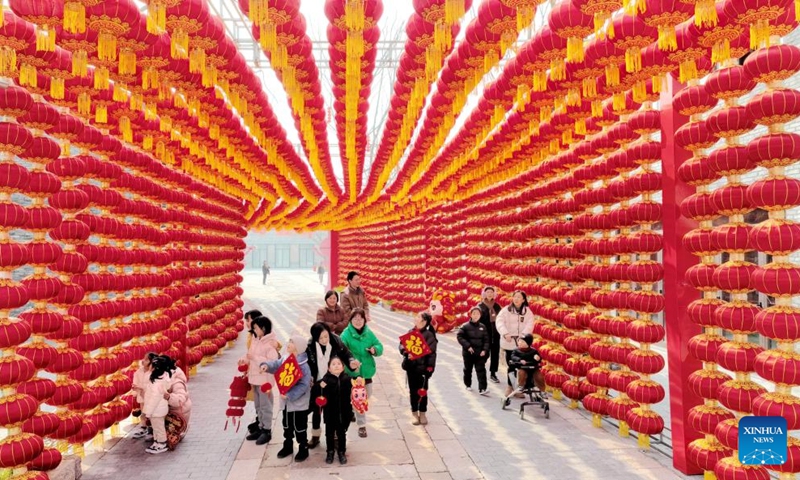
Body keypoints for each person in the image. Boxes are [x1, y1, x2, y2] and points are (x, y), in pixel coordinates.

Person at [260, 335, 313, 462]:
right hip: (286, 403)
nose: (288, 343)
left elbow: (304, 385)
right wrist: (266, 365)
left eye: (291, 342)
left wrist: (290, 395)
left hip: (299, 403)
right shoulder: (285, 358)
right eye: (289, 340)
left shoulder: (304, 365)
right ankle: (288, 445)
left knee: (300, 426)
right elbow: (276, 364)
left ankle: (303, 447)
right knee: (287, 425)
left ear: (298, 347)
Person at [306, 322, 358, 449]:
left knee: (335, 410)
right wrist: (310, 377)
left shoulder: (336, 340)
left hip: (334, 381)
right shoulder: (310, 346)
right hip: (319, 382)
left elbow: (346, 354)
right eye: (321, 338)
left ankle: (335, 435)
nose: (324, 340)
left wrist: (351, 362)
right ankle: (315, 435)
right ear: (315, 337)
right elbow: (307, 363)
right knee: (317, 410)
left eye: (326, 336)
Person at [340, 308, 383, 438]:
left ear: (364, 320)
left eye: (361, 319)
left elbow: (379, 346)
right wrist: (351, 361)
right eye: (355, 319)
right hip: (353, 373)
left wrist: (375, 350)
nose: (358, 321)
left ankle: (354, 409)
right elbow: (341, 350)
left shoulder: (369, 333)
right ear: (351, 320)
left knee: (367, 394)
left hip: (367, 372)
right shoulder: (346, 334)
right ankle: (362, 425)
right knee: (360, 398)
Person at [239, 316, 280, 445]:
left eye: (256, 328)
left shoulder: (270, 343)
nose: (254, 330)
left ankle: (267, 430)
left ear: (263, 328)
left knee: (265, 405)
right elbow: (249, 355)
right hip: (255, 378)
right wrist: (244, 360)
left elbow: (272, 362)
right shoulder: (256, 340)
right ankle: (261, 427)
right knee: (258, 405)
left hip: (265, 380)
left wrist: (255, 358)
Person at [399, 311, 438, 426]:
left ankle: (423, 412)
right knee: (412, 391)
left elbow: (432, 353)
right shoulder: (411, 332)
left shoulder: (429, 335)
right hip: (411, 367)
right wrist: (406, 352)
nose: (415, 318)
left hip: (423, 369)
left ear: (424, 321)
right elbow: (401, 345)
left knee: (422, 391)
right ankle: (414, 413)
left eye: (418, 317)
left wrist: (430, 368)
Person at [496, 290, 535, 398]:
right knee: (512, 365)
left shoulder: (527, 312)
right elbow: (499, 322)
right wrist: (505, 333)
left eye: (519, 297)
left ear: (523, 300)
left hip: (521, 343)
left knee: (523, 366)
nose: (516, 299)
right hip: (509, 342)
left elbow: (530, 324)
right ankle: (510, 386)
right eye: (515, 297)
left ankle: (519, 387)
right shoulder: (506, 310)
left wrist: (523, 336)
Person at [319, 356, 352, 465]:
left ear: (343, 367)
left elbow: (357, 384)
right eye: (333, 364)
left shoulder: (347, 379)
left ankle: (341, 452)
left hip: (343, 413)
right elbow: (318, 391)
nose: (336, 366)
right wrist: (319, 389)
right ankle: (330, 452)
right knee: (329, 434)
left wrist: (360, 378)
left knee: (342, 433)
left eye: (339, 364)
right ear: (329, 368)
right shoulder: (325, 380)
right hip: (330, 413)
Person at [142, 356, 174, 454]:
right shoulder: (163, 378)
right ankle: (156, 442)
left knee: (158, 428)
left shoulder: (156, 384)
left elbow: (154, 400)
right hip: (158, 409)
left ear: (155, 368)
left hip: (156, 410)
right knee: (156, 427)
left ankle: (162, 443)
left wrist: (148, 412)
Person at [457, 307, 490, 395]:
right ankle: (468, 384)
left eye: (478, 314)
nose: (476, 315)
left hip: (480, 353)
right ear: (470, 314)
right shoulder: (465, 326)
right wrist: (468, 346)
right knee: (468, 369)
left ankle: (482, 389)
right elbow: (460, 337)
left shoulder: (483, 327)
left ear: (480, 315)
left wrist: (484, 350)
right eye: (474, 313)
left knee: (481, 370)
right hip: (468, 353)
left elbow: (486, 340)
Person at [164, 355, 192, 445]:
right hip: (171, 413)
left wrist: (169, 397)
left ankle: (179, 432)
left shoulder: (176, 382)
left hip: (177, 416)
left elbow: (180, 400)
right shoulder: (165, 379)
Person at [477, 286, 502, 383]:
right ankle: (481, 371)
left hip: (496, 334)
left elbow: (500, 319)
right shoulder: (480, 306)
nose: (490, 294)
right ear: (484, 293)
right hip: (485, 335)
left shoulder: (497, 306)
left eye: (491, 292)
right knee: (485, 354)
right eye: (488, 292)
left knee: (495, 354)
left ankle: (493, 373)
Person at [131, 352, 158, 439]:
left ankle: (152, 430)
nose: (143, 361)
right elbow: (135, 381)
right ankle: (143, 427)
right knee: (143, 413)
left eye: (146, 359)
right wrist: (135, 389)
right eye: (144, 358)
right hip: (141, 396)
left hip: (150, 397)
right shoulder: (139, 371)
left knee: (151, 414)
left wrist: (142, 388)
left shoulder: (154, 373)